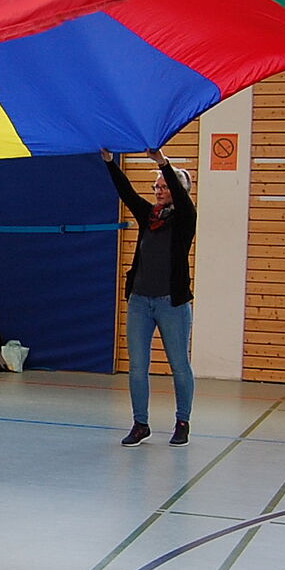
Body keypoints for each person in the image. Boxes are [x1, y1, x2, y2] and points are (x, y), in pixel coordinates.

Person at [103, 148, 196, 446]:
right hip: (141, 301)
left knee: (179, 364)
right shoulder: (149, 217)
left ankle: (182, 422)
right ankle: (140, 423)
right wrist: (110, 163)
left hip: (172, 302)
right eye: (156, 187)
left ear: (178, 191)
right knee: (137, 366)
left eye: (165, 187)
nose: (159, 191)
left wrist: (162, 162)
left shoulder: (184, 219)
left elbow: (182, 201)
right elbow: (126, 193)